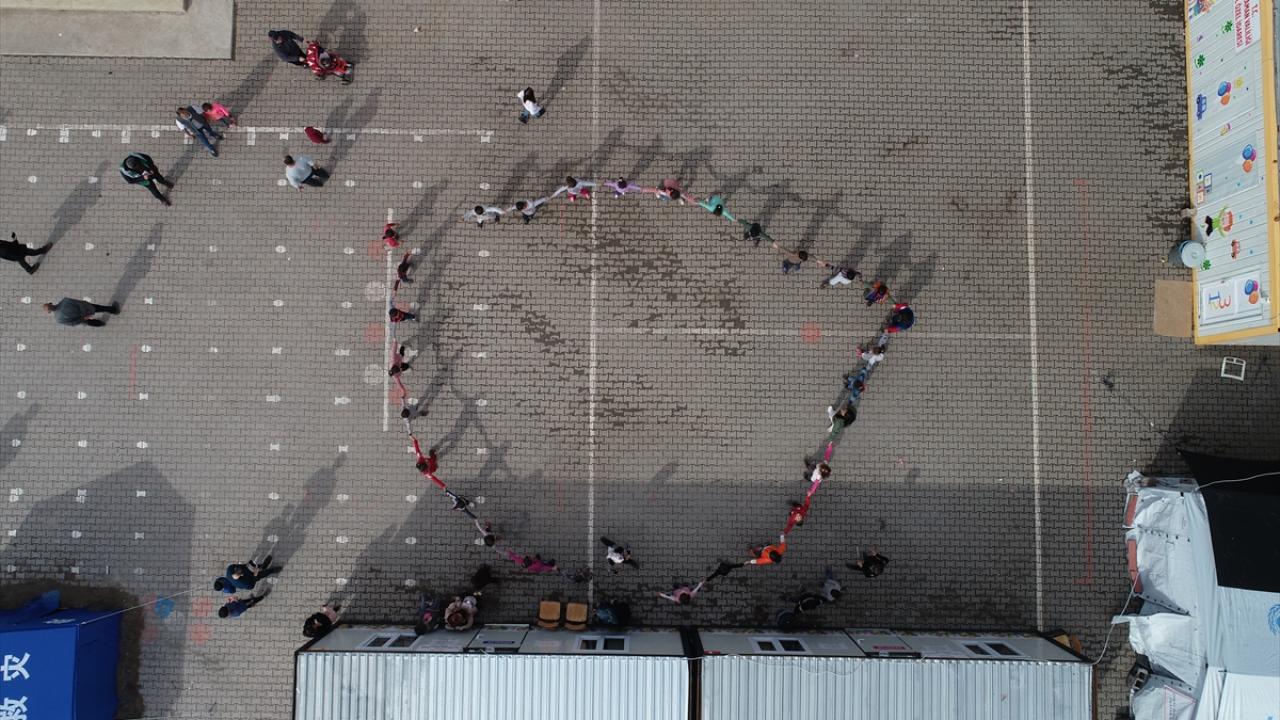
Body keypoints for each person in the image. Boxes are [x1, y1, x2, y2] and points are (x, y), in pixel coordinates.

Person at [43, 297, 119, 327]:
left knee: (89, 322)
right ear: (51, 303)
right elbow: (79, 303)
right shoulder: (65, 301)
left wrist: (83, 318)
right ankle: (113, 310)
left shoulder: (58, 319)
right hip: (87, 309)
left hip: (81, 318)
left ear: (49, 312)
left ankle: (100, 324)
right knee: (99, 308)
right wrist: (84, 313)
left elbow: (72, 323)